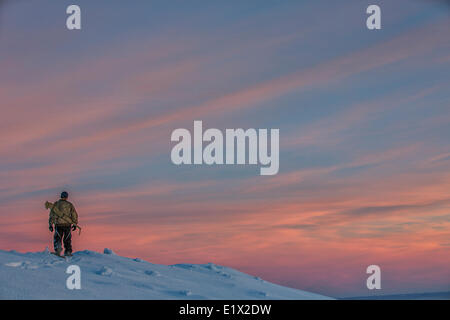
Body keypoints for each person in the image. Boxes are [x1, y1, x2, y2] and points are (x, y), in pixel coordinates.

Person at [48, 191, 78, 256]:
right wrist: (75, 224)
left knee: (58, 238)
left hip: (58, 225)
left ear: (61, 196)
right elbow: (74, 214)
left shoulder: (56, 204)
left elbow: (52, 215)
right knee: (67, 239)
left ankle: (58, 251)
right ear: (67, 197)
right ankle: (68, 252)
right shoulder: (70, 205)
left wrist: (50, 224)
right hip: (67, 225)